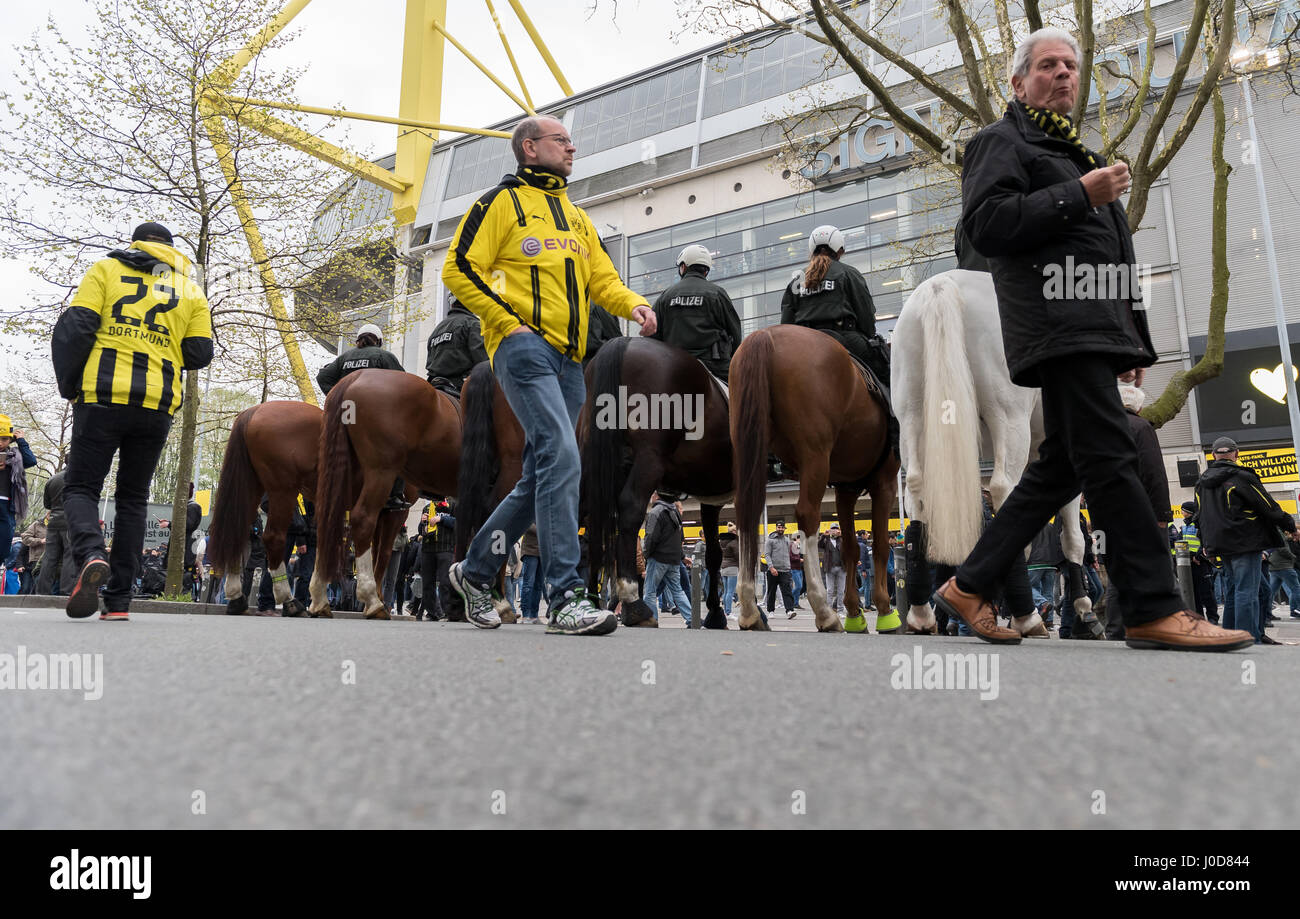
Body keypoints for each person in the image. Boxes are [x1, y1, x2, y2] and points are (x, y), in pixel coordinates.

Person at [931, 29, 1252, 651]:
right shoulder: (1000, 143)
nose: (1064, 75)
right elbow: (988, 225)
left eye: (1072, 67)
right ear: (1018, 82)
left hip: (1091, 331)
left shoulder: (1079, 153)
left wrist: (1130, 339)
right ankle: (1154, 608)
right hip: (1056, 328)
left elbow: (1111, 254)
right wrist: (1080, 194)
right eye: (1048, 65)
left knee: (1061, 468)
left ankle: (968, 586)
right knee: (1111, 457)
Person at [443, 113, 657, 635]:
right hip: (523, 350)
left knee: (542, 473)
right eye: (562, 140)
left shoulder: (577, 216)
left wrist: (634, 305)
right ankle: (565, 597)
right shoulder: (500, 203)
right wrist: (504, 322)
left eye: (571, 141)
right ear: (529, 148)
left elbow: (602, 279)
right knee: (563, 455)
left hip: (569, 360)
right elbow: (458, 267)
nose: (572, 148)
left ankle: (474, 573)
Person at [51, 222, 213, 621]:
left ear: (135, 243)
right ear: (172, 250)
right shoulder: (191, 290)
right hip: (156, 403)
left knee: (81, 487)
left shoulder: (105, 270)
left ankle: (91, 553)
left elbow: (78, 328)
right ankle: (119, 602)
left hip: (102, 395)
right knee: (133, 499)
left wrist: (69, 384)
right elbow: (199, 353)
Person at [1194, 436, 1298, 644]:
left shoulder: (1202, 482)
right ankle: (1247, 639)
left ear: (1213, 455)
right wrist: (1290, 526)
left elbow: (1199, 516)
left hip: (1219, 544)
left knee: (1233, 591)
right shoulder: (1242, 476)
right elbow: (1267, 506)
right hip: (1245, 541)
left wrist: (1206, 543)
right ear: (1236, 454)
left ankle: (1229, 636)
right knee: (1247, 592)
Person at [780, 226, 889, 389]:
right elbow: (866, 314)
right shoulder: (849, 273)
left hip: (804, 343)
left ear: (812, 250)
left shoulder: (797, 279)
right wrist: (869, 335)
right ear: (840, 250)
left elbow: (786, 323)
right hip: (845, 338)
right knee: (884, 369)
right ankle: (892, 411)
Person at [318, 323, 409, 512]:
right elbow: (403, 383)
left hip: (347, 413)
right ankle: (394, 495)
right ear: (379, 341)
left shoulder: (344, 358)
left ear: (359, 339)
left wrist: (336, 397)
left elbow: (323, 377)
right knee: (400, 448)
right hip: (372, 414)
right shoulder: (384, 357)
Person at [651, 245, 743, 382]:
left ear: (683, 267)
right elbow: (735, 331)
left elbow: (652, 336)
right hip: (715, 365)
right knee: (745, 395)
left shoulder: (666, 296)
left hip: (674, 366)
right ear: (706, 271)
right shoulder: (717, 293)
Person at [641, 490, 692, 626]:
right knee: (678, 591)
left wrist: (646, 554)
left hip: (658, 558)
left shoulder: (655, 512)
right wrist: (682, 557)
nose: (651, 497)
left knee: (650, 592)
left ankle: (652, 620)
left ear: (657, 496)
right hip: (674, 560)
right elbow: (676, 539)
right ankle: (692, 619)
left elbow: (651, 537)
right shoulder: (675, 512)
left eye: (652, 494)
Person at [426, 293, 488, 398]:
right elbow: (484, 361)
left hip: (434, 384)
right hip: (462, 386)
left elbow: (429, 363)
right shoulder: (473, 324)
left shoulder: (437, 329)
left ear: (452, 305)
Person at [0, 416, 37, 567]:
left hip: (8, 504)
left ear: (10, 440)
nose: (0, 443)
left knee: (5, 541)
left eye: (4, 439)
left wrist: (21, 441)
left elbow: (31, 461)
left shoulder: (15, 457)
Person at [37, 468, 73, 595]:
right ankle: (66, 590)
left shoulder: (52, 479)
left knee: (49, 558)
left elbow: (47, 504)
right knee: (70, 556)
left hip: (53, 522)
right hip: (70, 520)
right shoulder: (79, 476)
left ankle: (42, 591)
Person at [763, 520, 797, 619]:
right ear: (776, 528)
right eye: (779, 527)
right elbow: (767, 555)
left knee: (787, 591)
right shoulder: (770, 540)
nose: (780, 529)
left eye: (782, 527)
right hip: (773, 570)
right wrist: (771, 567)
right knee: (771, 591)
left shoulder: (787, 540)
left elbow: (789, 554)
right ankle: (771, 611)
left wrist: (789, 566)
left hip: (785, 570)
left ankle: (789, 610)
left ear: (784, 528)